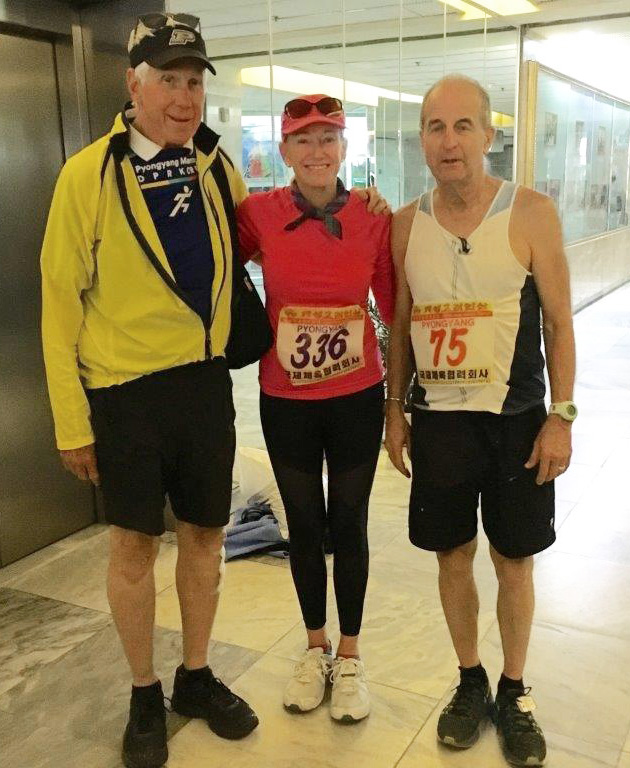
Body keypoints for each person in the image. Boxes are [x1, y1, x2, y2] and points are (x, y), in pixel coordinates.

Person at [40, 13, 259, 768]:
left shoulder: (212, 164)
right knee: (134, 547)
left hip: (204, 386)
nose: (184, 96)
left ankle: (195, 676)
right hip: (126, 396)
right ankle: (143, 691)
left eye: (194, 81)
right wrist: (73, 422)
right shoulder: (88, 175)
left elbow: (260, 234)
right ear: (132, 84)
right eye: (168, 80)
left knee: (205, 535)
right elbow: (58, 302)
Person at [385, 75, 576, 767]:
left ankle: (515, 688)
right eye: (435, 127)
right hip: (440, 423)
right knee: (451, 553)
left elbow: (558, 321)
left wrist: (563, 415)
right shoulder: (406, 224)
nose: (449, 141)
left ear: (488, 135)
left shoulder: (531, 213)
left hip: (518, 419)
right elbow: (401, 325)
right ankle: (469, 679)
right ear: (423, 142)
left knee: (513, 559)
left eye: (463, 126)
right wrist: (394, 411)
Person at [237, 94, 395, 723]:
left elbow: (391, 300)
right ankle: (314, 647)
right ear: (283, 151)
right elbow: (228, 256)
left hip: (357, 394)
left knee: (349, 522)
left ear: (345, 149)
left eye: (328, 138)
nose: (316, 151)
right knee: (304, 525)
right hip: (286, 398)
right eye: (303, 140)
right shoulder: (258, 213)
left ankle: (351, 654)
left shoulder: (373, 218)